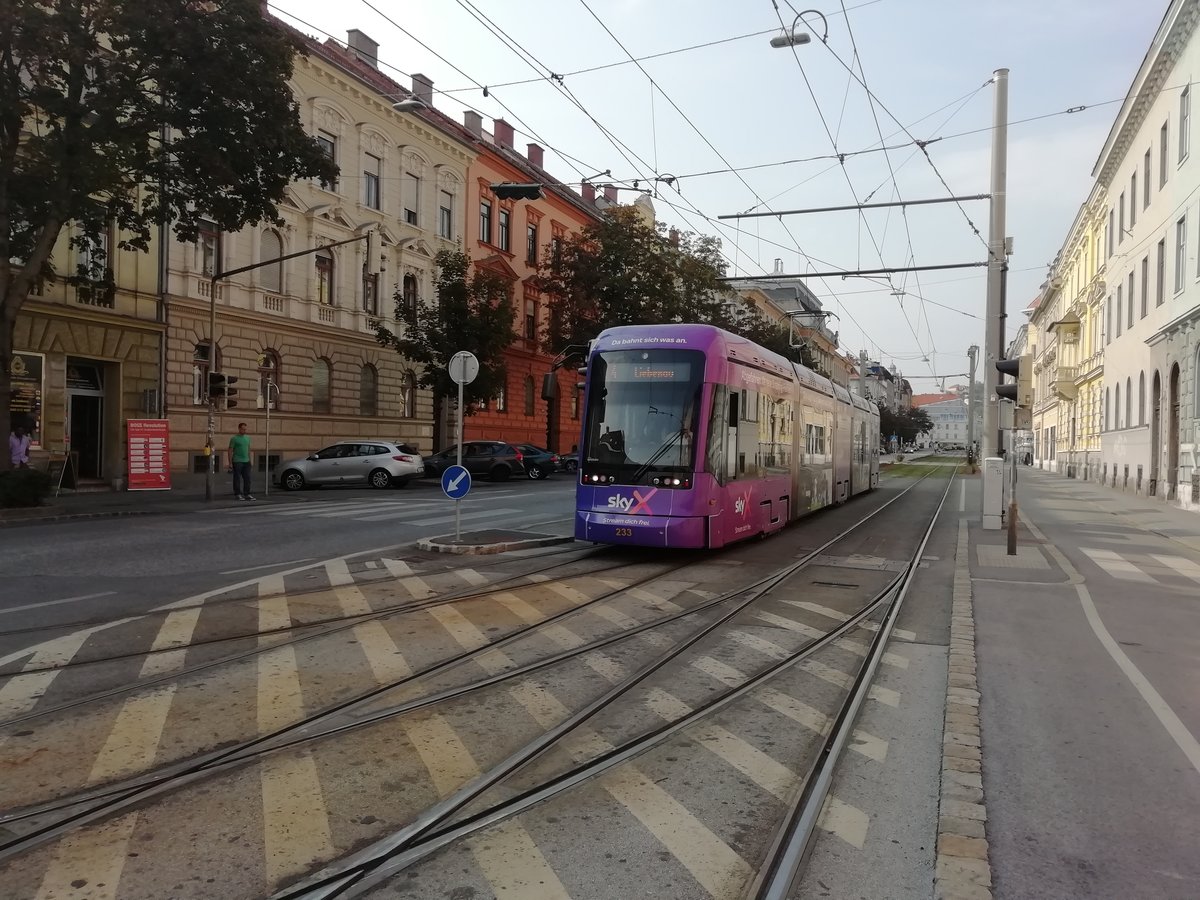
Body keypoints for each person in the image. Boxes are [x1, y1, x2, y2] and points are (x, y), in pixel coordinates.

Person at [227, 422, 254, 500]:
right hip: (237, 461)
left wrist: (250, 460)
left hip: (246, 461)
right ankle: (238, 494)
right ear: (239, 429)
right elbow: (230, 450)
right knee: (237, 479)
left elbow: (248, 450)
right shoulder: (234, 438)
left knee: (247, 479)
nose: (244, 431)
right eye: (243, 429)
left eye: (245, 429)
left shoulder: (248, 438)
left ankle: (247, 494)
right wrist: (230, 463)